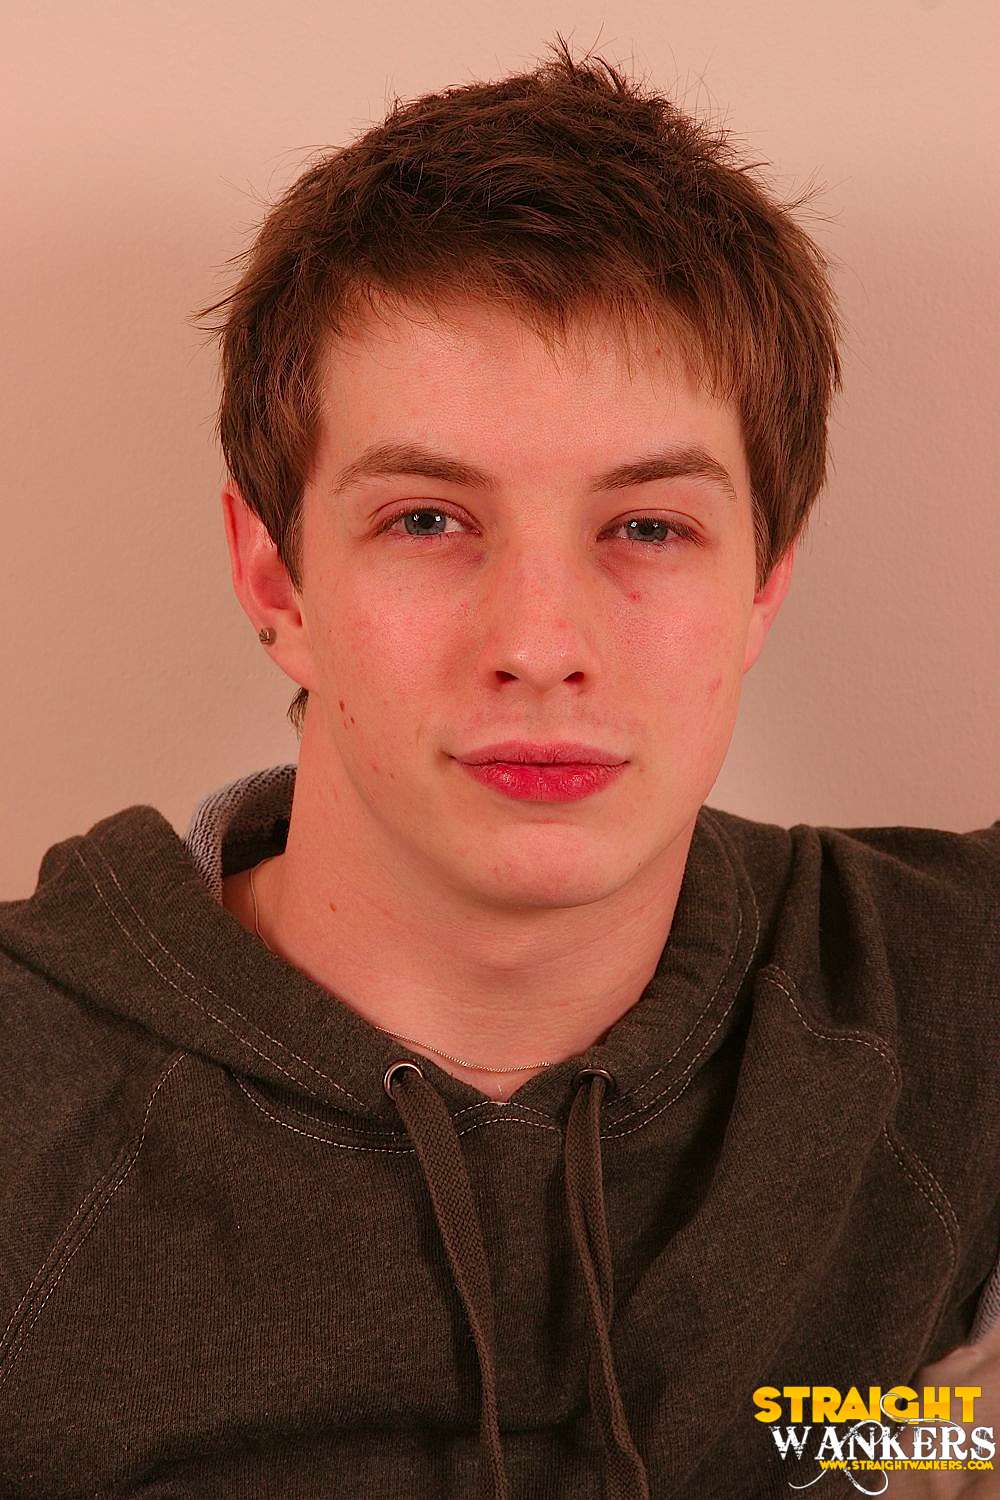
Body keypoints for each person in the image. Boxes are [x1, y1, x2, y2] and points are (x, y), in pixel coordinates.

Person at [0, 35, 996, 1500]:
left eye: (648, 527)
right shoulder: (30, 1114)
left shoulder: (949, 993)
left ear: (764, 584)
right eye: (426, 520)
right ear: (275, 579)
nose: (539, 645)